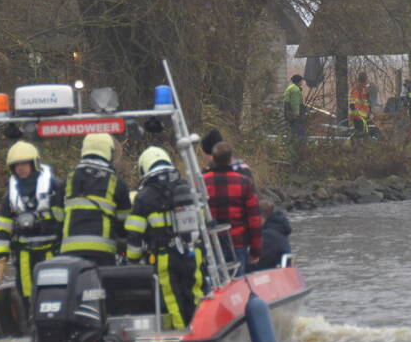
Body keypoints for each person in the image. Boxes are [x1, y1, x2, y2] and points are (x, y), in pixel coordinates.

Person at [125, 146, 203, 330]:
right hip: (193, 251)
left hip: (165, 257)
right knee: (195, 293)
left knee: (172, 299)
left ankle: (182, 335)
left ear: (144, 167)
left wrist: (133, 260)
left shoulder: (144, 196)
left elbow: (134, 232)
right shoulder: (186, 187)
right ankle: (201, 330)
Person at [0, 141, 65, 315]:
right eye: (16, 165)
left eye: (24, 164)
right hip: (24, 254)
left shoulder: (54, 188)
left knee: (53, 293)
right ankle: (31, 325)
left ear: (34, 164)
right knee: (27, 295)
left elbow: (65, 219)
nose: (21, 169)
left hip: (51, 253)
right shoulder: (10, 196)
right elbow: (3, 228)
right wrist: (1, 258)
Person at [60, 133, 131, 266]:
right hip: (103, 252)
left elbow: (57, 217)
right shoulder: (116, 183)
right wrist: (123, 246)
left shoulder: (69, 180)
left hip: (69, 252)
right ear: (109, 152)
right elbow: (124, 223)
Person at [203, 141, 262, 275]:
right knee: (237, 286)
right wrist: (255, 250)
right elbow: (254, 219)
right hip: (238, 243)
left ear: (213, 158)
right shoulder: (244, 182)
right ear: (231, 159)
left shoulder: (202, 182)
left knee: (215, 286)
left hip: (211, 243)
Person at [256, 199, 292, 271]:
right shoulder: (278, 228)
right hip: (282, 269)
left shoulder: (268, 234)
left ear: (260, 217)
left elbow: (262, 262)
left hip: (272, 272)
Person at [348, 72, 374, 137]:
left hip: (359, 116)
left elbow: (352, 104)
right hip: (360, 117)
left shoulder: (358, 89)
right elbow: (353, 104)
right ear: (365, 80)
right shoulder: (361, 90)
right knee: (361, 134)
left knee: (360, 134)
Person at [283, 74, 307, 141]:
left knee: (293, 130)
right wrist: (297, 114)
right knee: (300, 132)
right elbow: (295, 103)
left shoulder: (290, 87)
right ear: (298, 81)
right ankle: (301, 145)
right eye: (301, 81)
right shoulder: (295, 90)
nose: (302, 83)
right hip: (295, 115)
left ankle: (292, 143)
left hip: (289, 113)